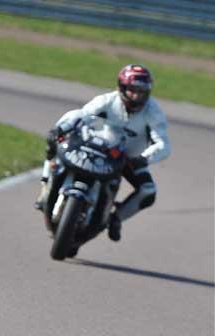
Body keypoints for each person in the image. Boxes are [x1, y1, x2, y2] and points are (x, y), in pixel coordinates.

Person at [35, 64, 170, 242]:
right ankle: (45, 190)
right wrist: (61, 129)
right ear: (121, 88)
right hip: (94, 147)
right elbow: (81, 115)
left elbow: (163, 144)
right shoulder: (106, 100)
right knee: (55, 146)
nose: (136, 96)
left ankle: (116, 218)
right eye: (132, 90)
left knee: (148, 190)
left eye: (141, 91)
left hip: (127, 158)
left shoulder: (154, 112)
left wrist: (143, 159)